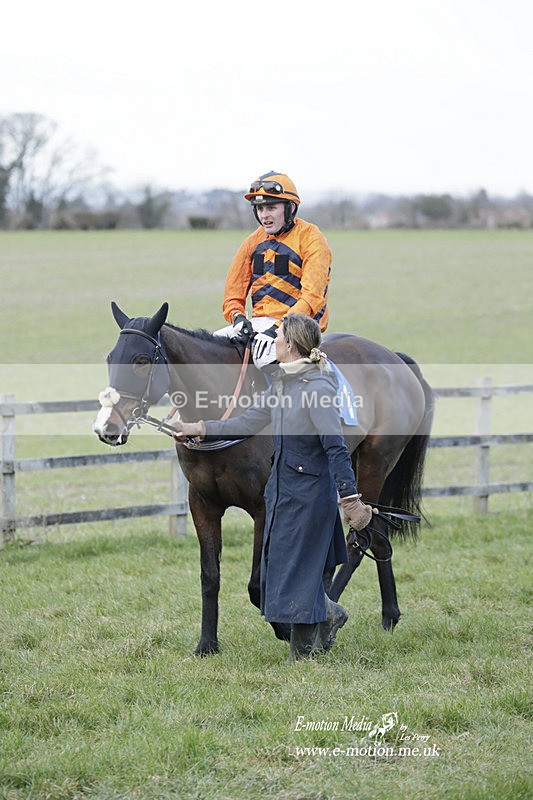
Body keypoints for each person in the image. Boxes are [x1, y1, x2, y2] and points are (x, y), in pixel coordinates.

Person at [173, 314, 376, 660]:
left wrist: (351, 499)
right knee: (277, 573)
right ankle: (330, 614)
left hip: (311, 494)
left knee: (300, 572)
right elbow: (248, 420)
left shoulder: (319, 389)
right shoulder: (281, 385)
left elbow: (336, 447)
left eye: (278, 337)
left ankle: (303, 656)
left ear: (291, 347)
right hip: (281, 489)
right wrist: (199, 427)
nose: (273, 341)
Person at [215, 171, 334, 369]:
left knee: (264, 357)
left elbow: (312, 297)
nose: (264, 215)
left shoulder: (312, 238)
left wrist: (280, 328)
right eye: (260, 208)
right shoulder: (252, 242)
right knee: (209, 349)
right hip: (260, 324)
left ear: (291, 208)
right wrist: (238, 319)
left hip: (300, 327)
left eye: (271, 207)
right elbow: (232, 297)